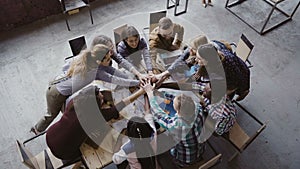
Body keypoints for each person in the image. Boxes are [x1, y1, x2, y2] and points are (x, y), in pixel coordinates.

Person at [32, 43, 139, 135]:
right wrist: (138, 82)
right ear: (98, 61)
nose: (110, 60)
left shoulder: (86, 57)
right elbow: (116, 80)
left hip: (57, 82)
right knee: (51, 115)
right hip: (57, 93)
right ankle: (37, 130)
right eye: (107, 59)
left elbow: (65, 67)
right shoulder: (96, 72)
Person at [141, 79, 206, 167]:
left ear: (179, 112)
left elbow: (159, 115)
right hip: (200, 148)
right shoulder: (197, 107)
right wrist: (160, 93)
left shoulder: (177, 125)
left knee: (165, 139)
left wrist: (149, 94)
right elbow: (179, 99)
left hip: (186, 158)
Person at [46, 85, 119, 160]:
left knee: (79, 132)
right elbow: (116, 110)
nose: (103, 96)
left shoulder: (74, 102)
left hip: (50, 134)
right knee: (93, 144)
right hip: (63, 153)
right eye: (101, 99)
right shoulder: (93, 118)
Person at [112, 96, 159, 169]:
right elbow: (148, 112)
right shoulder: (153, 133)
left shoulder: (127, 148)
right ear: (147, 127)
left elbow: (115, 160)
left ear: (129, 135)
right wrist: (145, 95)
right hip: (152, 165)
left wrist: (120, 138)